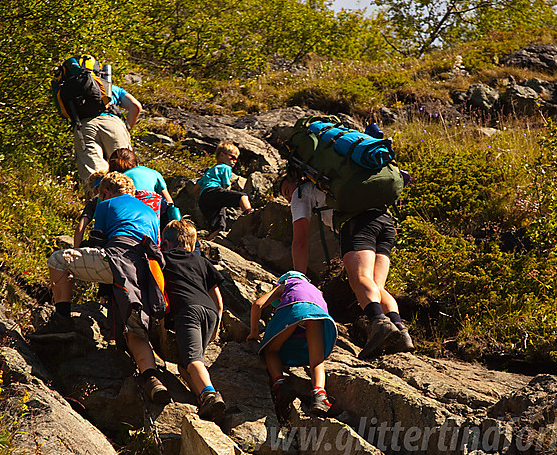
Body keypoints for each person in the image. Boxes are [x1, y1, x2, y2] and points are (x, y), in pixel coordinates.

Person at [40, 171, 169, 403]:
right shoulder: (150, 212)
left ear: (106, 192)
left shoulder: (107, 204)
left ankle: (62, 318)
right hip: (143, 273)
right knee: (135, 330)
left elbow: (97, 240)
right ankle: (151, 378)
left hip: (116, 259)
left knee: (57, 260)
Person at [280, 174, 413, 360]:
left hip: (357, 223)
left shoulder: (302, 192)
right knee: (377, 286)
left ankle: (379, 323)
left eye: (287, 191)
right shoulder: (334, 179)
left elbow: (300, 241)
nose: (288, 197)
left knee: (360, 278)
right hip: (384, 221)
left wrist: (298, 280)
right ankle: (401, 330)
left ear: (298, 179)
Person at [160, 219, 227, 422]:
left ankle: (209, 395)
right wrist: (216, 325)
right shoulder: (202, 262)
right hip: (210, 311)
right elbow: (219, 300)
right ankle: (201, 398)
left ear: (166, 243)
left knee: (193, 359)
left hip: (187, 311)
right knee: (184, 363)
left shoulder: (164, 259)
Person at [247, 271, 337, 420]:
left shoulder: (286, 284)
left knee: (271, 350)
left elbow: (257, 305)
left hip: (294, 308)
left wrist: (254, 333)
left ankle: (280, 384)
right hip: (318, 314)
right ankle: (319, 395)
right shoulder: (315, 290)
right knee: (317, 360)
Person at [71, 73, 143, 184]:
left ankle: (98, 198)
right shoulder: (109, 88)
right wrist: (127, 129)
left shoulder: (72, 88)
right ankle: (127, 198)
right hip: (112, 123)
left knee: (94, 174)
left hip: (84, 126)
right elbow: (136, 106)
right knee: (124, 168)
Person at [108, 148, 178, 232]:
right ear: (136, 163)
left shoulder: (114, 180)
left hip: (124, 219)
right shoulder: (153, 173)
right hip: (152, 216)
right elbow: (170, 202)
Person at [194, 141, 253, 238]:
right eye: (232, 157)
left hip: (203, 199)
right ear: (221, 155)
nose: (234, 161)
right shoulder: (226, 167)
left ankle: (209, 242)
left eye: (236, 159)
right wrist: (225, 196)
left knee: (219, 226)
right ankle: (249, 214)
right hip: (214, 191)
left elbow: (196, 189)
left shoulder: (209, 172)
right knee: (242, 196)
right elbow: (226, 184)